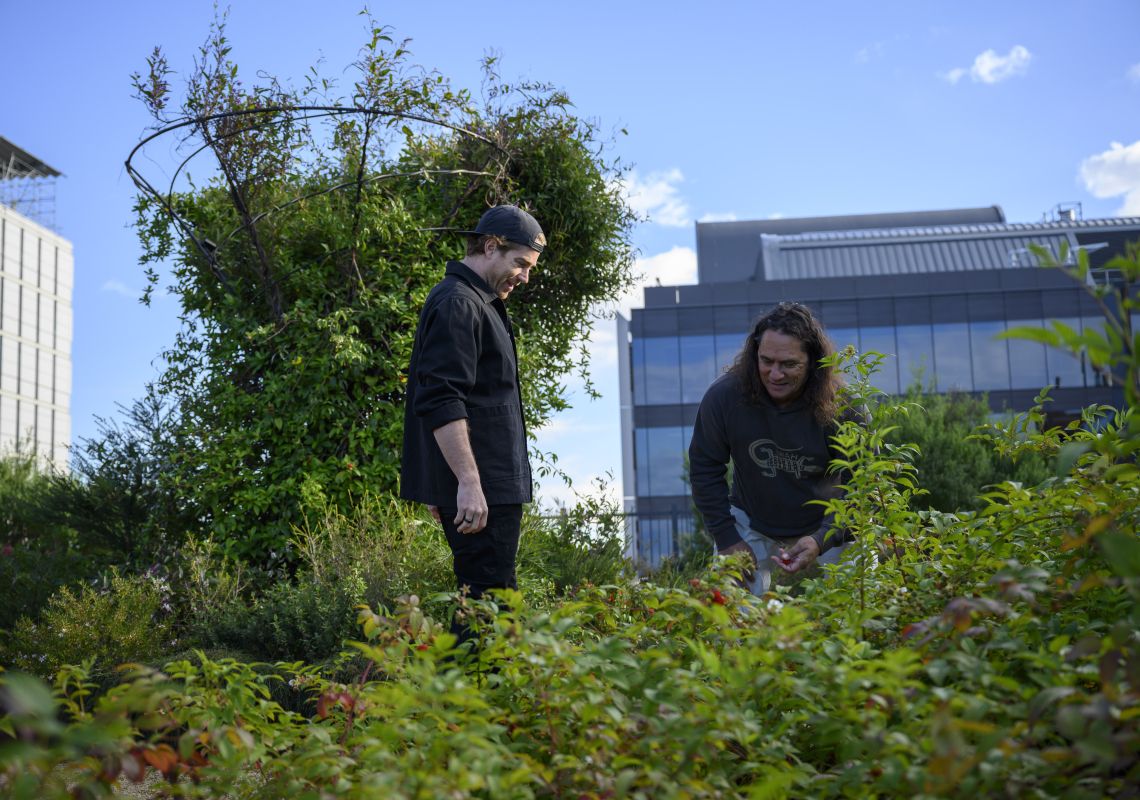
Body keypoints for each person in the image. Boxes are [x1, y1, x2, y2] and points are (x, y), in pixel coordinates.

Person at [400, 204, 545, 636]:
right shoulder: (460, 303)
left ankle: (474, 698)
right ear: (489, 246)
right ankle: (469, 701)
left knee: (490, 604)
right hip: (482, 489)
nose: (524, 277)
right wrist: (465, 482)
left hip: (485, 487)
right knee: (488, 608)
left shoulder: (476, 301)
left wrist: (451, 480)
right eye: (520, 263)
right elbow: (442, 397)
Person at [688, 301, 851, 595]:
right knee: (730, 614)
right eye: (767, 361)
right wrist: (726, 539)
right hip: (751, 519)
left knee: (861, 600)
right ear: (755, 356)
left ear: (813, 363)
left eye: (789, 364)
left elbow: (864, 489)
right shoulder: (724, 397)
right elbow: (704, 468)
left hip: (827, 523)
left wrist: (823, 537)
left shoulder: (844, 407)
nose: (775, 374)